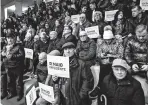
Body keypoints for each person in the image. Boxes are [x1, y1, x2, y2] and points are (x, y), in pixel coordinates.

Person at [124, 24, 148, 98]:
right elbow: (127, 54)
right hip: (134, 64)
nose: (141, 38)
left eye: (143, 36)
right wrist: (132, 64)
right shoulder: (131, 40)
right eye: (139, 36)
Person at [1, 32, 25, 101]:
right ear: (6, 39)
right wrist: (2, 54)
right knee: (10, 81)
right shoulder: (5, 46)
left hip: (17, 67)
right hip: (8, 66)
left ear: (14, 38)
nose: (10, 40)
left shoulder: (19, 46)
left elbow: (22, 56)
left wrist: (13, 56)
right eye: (8, 38)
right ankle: (12, 93)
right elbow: (3, 56)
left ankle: (19, 95)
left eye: (11, 38)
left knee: (18, 82)